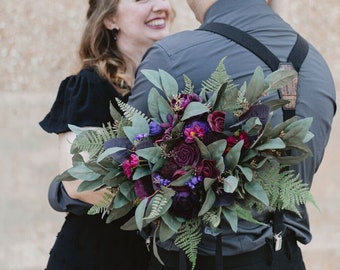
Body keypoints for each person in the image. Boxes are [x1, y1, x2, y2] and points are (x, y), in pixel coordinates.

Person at [128, 0, 337, 269]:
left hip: (199, 259)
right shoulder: (317, 65)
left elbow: (126, 166)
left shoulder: (172, 56)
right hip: (286, 257)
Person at [39, 0, 172, 269]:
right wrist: (168, 207)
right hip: (97, 254)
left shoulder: (171, 87)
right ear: (111, 19)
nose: (161, 5)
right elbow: (79, 183)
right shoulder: (88, 86)